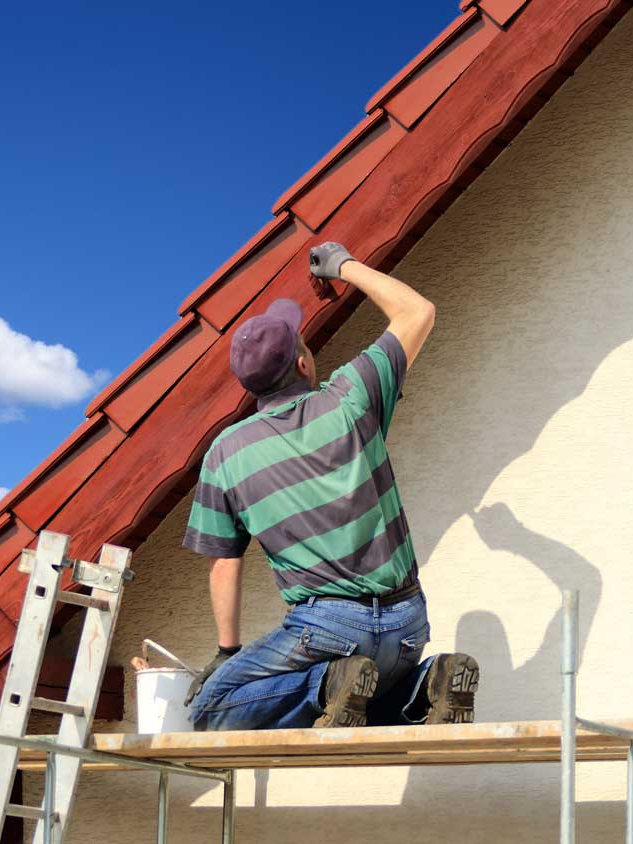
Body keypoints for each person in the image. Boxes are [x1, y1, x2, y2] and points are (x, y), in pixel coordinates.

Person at [180, 241, 479, 731]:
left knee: (211, 711)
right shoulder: (351, 397)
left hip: (325, 628)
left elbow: (223, 565)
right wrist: (344, 265)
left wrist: (226, 654)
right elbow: (417, 311)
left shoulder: (225, 454)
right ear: (302, 363)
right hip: (407, 625)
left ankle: (328, 685)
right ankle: (429, 683)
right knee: (355, 702)